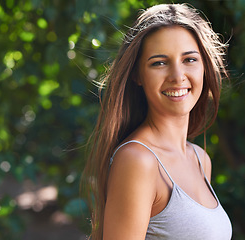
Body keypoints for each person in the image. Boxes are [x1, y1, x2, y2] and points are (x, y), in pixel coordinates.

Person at [82, 3, 232, 240]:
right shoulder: (138, 161)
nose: (177, 76)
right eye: (159, 63)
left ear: (204, 65)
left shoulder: (200, 159)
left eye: (189, 59)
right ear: (137, 75)